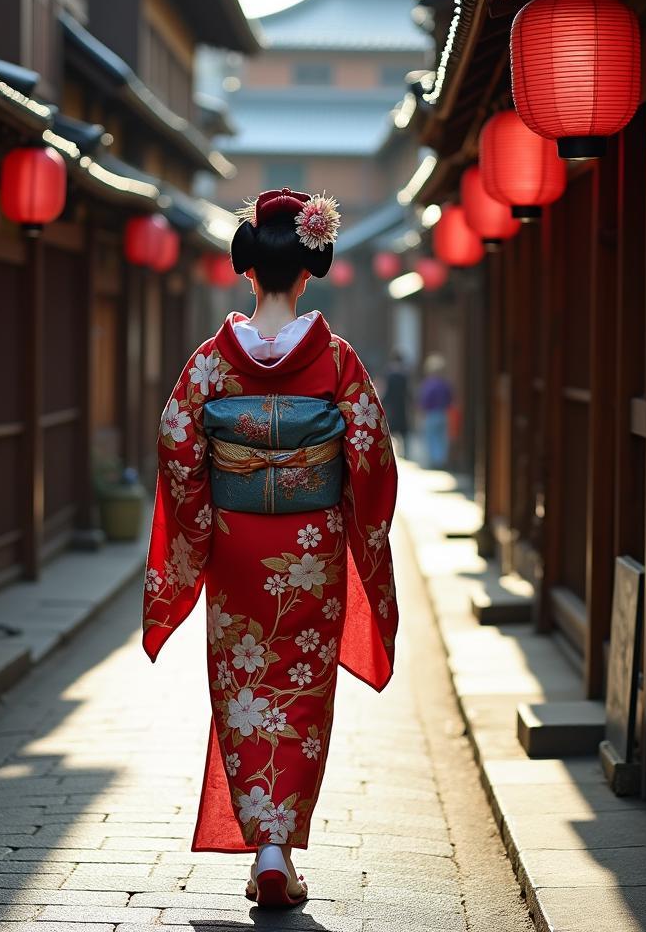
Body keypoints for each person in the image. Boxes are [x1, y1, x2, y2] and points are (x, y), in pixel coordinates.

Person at [142, 188, 399, 908]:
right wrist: (352, 515)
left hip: (235, 545)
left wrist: (201, 522)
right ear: (309, 270)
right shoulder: (338, 361)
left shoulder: (211, 363)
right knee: (298, 693)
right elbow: (372, 455)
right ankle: (278, 848)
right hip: (310, 549)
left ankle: (264, 845)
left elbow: (175, 444)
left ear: (248, 271)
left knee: (245, 688)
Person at [417, 353, 453, 469]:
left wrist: (421, 411)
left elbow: (424, 400)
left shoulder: (428, 384)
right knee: (441, 438)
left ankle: (434, 461)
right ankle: (441, 460)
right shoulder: (445, 383)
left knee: (431, 438)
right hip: (443, 413)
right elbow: (450, 398)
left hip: (431, 414)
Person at [381, 350, 410, 453]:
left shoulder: (389, 375)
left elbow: (387, 392)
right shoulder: (404, 375)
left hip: (392, 406)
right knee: (403, 431)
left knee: (391, 429)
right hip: (401, 405)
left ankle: (392, 451)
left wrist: (382, 403)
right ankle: (405, 452)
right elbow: (408, 392)